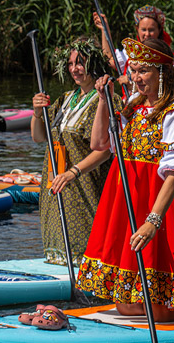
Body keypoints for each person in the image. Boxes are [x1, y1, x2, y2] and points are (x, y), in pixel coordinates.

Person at [51, 38, 174, 322]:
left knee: (161, 312)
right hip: (127, 204)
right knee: (125, 305)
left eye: (143, 71)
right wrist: (103, 100)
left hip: (161, 207)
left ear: (162, 73)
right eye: (133, 70)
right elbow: (99, 144)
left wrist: (152, 220)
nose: (136, 77)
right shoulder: (134, 105)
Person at [29, 37, 116, 265]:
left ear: (93, 63)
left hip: (84, 186)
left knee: (86, 243)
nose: (74, 69)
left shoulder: (105, 99)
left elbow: (105, 150)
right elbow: (39, 137)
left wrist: (73, 172)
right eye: (70, 64)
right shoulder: (66, 99)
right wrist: (37, 113)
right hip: (56, 184)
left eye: (80, 63)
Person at [94, 4, 170, 86]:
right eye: (143, 30)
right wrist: (104, 29)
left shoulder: (164, 57)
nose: (147, 34)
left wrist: (131, 84)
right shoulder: (131, 53)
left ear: (159, 30)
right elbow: (108, 58)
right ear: (137, 29)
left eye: (151, 30)